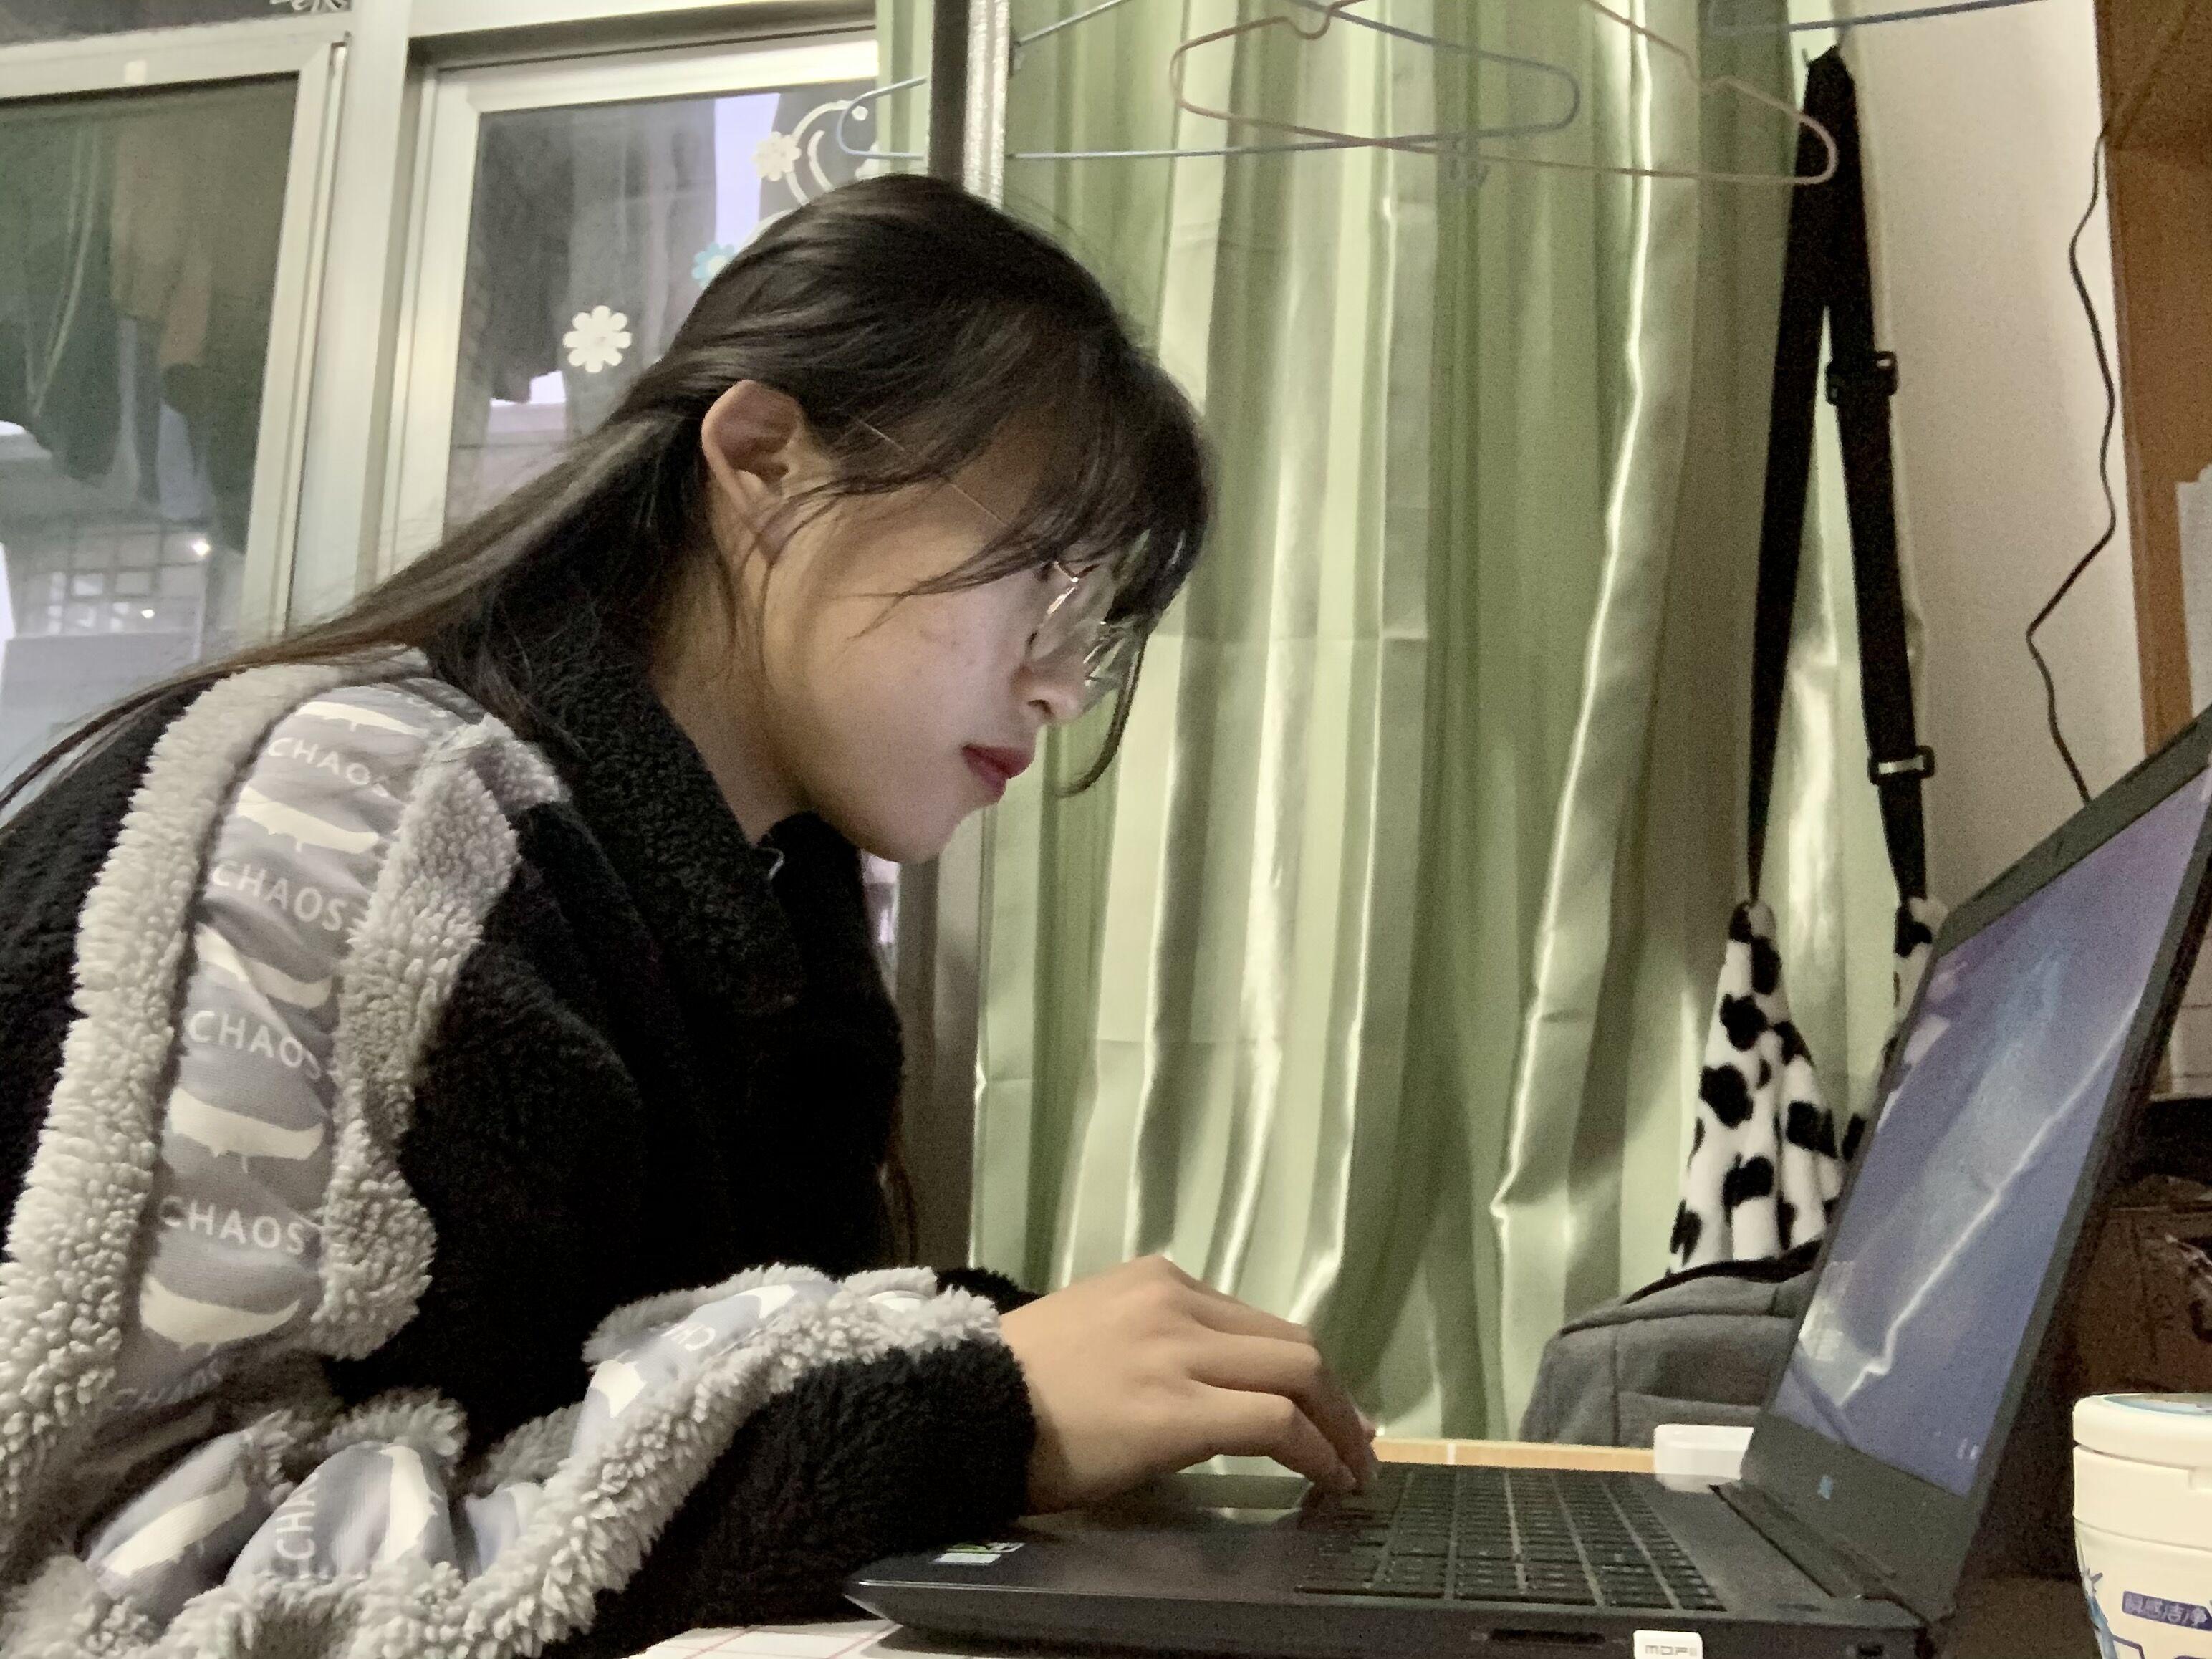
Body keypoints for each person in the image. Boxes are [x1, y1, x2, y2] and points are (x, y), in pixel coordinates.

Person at [0, 175, 1375, 1659]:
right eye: (1046, 575)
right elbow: (122, 1588)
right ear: (764, 457)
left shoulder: (770, 940)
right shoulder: (352, 815)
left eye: (1093, 632)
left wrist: (983, 1375)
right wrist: (972, 1410)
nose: (1057, 685)